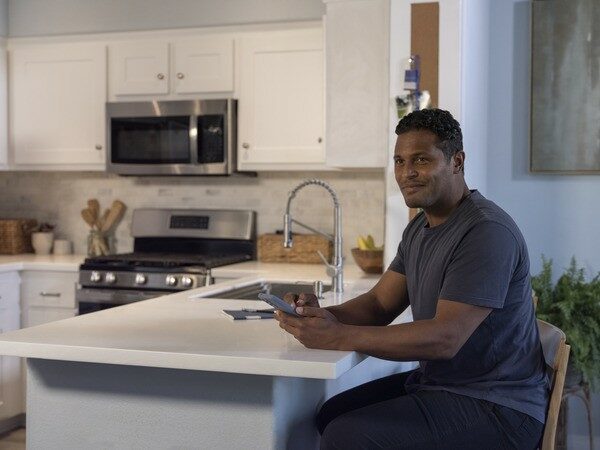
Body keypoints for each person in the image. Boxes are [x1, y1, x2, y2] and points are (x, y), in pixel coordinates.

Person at [275, 108, 549, 450]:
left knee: (345, 436)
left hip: (499, 407)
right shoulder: (420, 227)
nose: (407, 173)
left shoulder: (485, 231)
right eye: (399, 161)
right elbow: (378, 304)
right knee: (330, 414)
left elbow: (444, 339)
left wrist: (337, 336)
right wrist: (321, 316)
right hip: (442, 385)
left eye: (420, 160)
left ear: (456, 162)